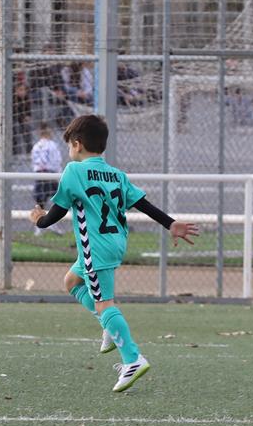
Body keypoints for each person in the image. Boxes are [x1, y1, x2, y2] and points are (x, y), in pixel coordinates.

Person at [30, 114, 199, 392]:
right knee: (71, 281)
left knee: (104, 304)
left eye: (69, 145)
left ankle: (132, 359)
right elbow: (143, 204)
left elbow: (54, 216)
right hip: (115, 243)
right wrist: (171, 224)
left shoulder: (74, 171)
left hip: (95, 248)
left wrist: (38, 219)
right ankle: (108, 326)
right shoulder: (116, 174)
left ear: (77, 144)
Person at [29, 123, 63, 235]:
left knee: (40, 200)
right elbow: (57, 160)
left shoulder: (36, 146)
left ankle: (39, 226)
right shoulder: (52, 145)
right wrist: (58, 173)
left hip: (39, 174)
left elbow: (33, 161)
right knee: (57, 199)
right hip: (50, 173)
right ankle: (51, 223)